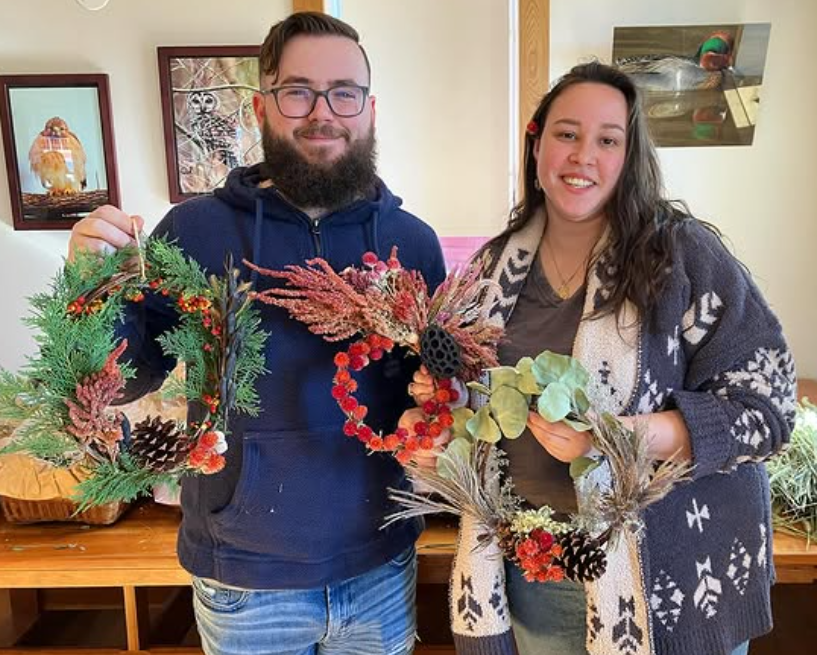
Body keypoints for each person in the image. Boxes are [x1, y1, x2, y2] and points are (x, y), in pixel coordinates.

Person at [68, 12, 446, 655]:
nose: (322, 112)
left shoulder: (413, 244)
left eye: (343, 92)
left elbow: (437, 394)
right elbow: (128, 376)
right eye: (298, 91)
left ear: (369, 109)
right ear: (262, 107)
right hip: (245, 583)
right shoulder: (194, 231)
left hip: (380, 567)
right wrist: (89, 288)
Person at [407, 61, 796, 655]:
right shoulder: (491, 272)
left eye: (607, 140)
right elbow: (478, 414)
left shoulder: (683, 258)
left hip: (671, 579)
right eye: (566, 134)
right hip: (535, 578)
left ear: (628, 155)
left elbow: (767, 410)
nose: (583, 156)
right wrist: (439, 413)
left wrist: (620, 437)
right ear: (537, 143)